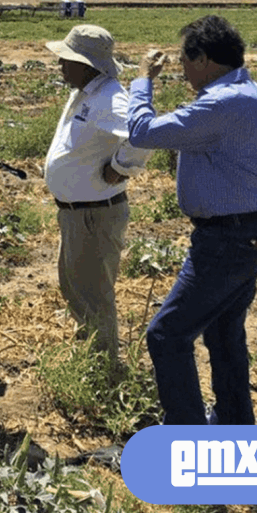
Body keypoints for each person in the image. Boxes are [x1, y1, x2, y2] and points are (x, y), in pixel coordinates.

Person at [128, 15, 257, 426]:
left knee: (167, 334)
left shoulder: (221, 104)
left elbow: (143, 131)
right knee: (223, 333)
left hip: (227, 239)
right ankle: (235, 424)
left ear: (204, 59)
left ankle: (187, 438)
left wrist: (143, 80)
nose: (181, 69)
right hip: (252, 229)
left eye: (184, 59)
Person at [43, 25, 150, 358]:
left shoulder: (110, 98)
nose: (60, 65)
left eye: (66, 59)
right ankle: (91, 349)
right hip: (80, 212)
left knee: (92, 291)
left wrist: (121, 167)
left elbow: (142, 134)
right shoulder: (88, 92)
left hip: (93, 214)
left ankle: (102, 365)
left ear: (86, 64)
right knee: (78, 286)